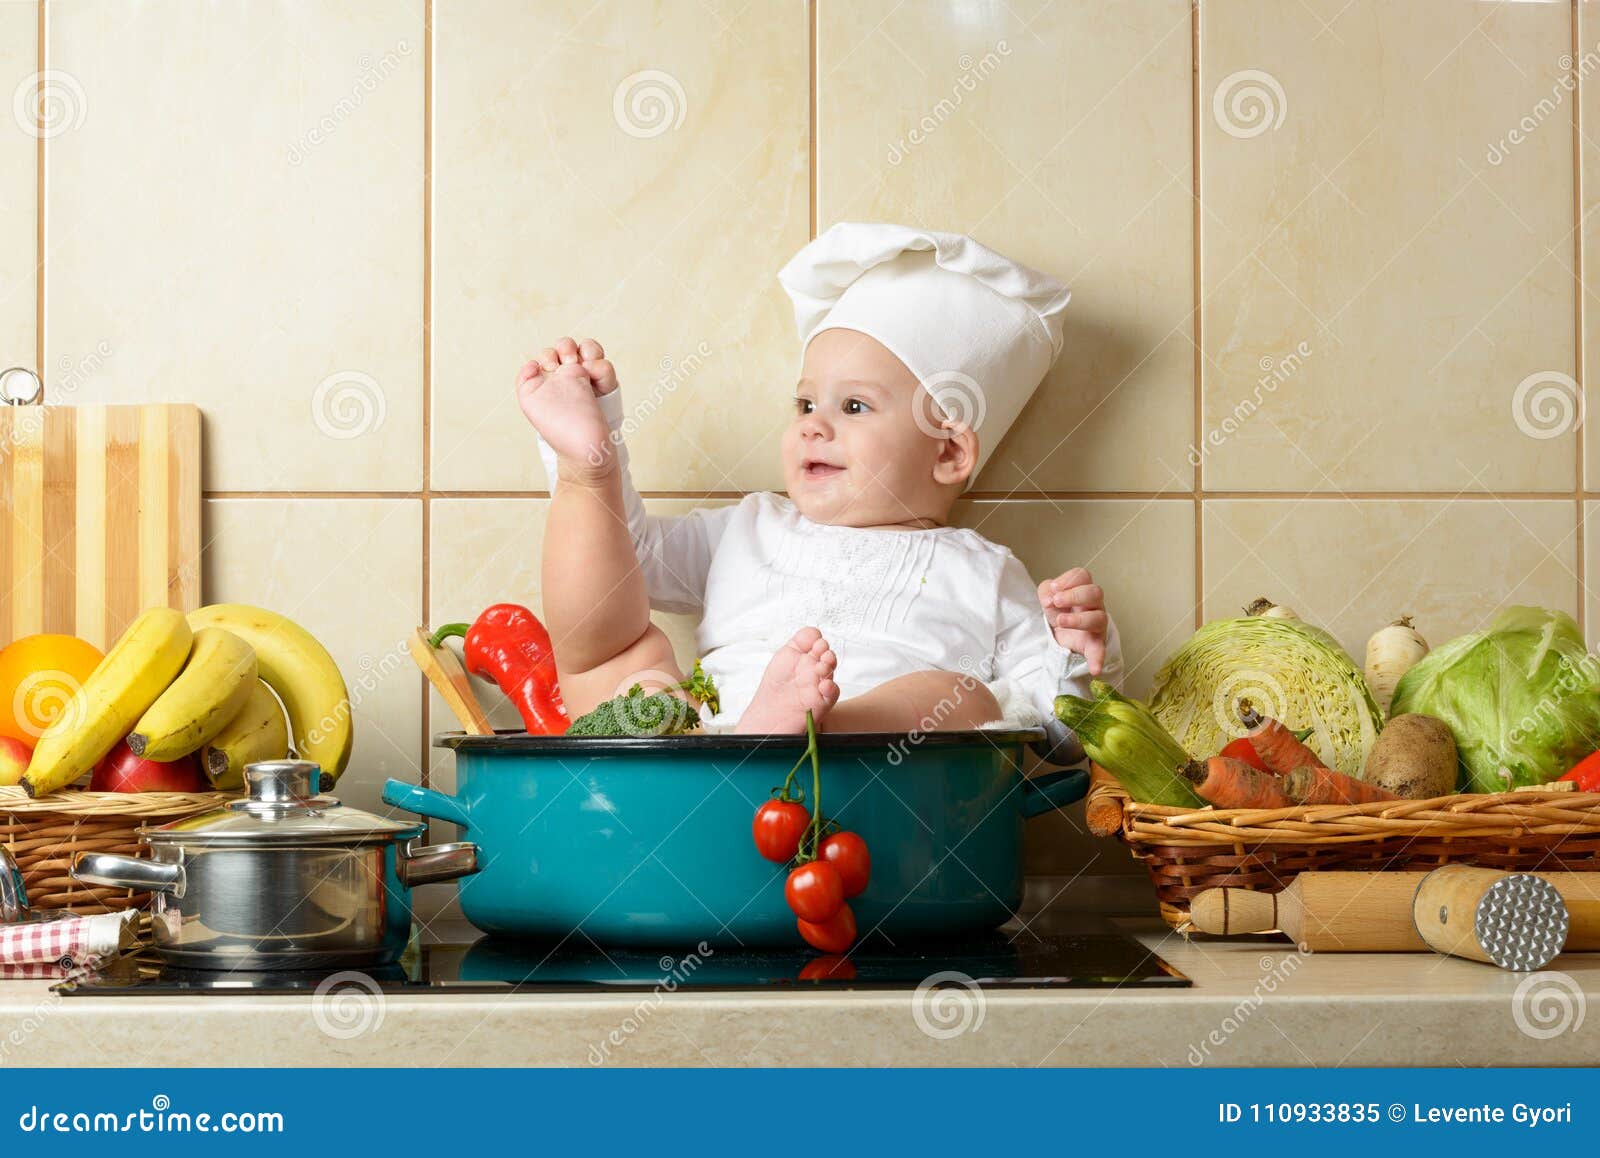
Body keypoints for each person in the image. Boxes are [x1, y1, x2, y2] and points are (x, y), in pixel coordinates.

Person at [519, 222, 1119, 752]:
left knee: (961, 696)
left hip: (875, 775)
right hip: (709, 756)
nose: (813, 425)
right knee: (628, 663)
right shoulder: (750, 527)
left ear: (947, 451)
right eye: (806, 403)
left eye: (854, 406)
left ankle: (816, 727)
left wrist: (1075, 650)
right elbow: (632, 561)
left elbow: (1060, 731)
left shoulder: (984, 572)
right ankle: (586, 470)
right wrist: (603, 457)